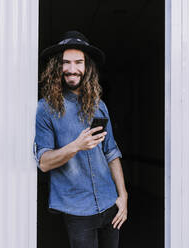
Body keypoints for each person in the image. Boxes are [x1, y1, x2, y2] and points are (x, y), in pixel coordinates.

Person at [33, 30, 128, 248]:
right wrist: (76, 145)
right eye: (66, 63)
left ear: (87, 68)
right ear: (57, 67)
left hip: (109, 203)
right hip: (77, 211)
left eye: (79, 62)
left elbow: (111, 152)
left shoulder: (99, 106)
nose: (72, 69)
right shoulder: (45, 109)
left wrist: (123, 196)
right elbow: (44, 162)